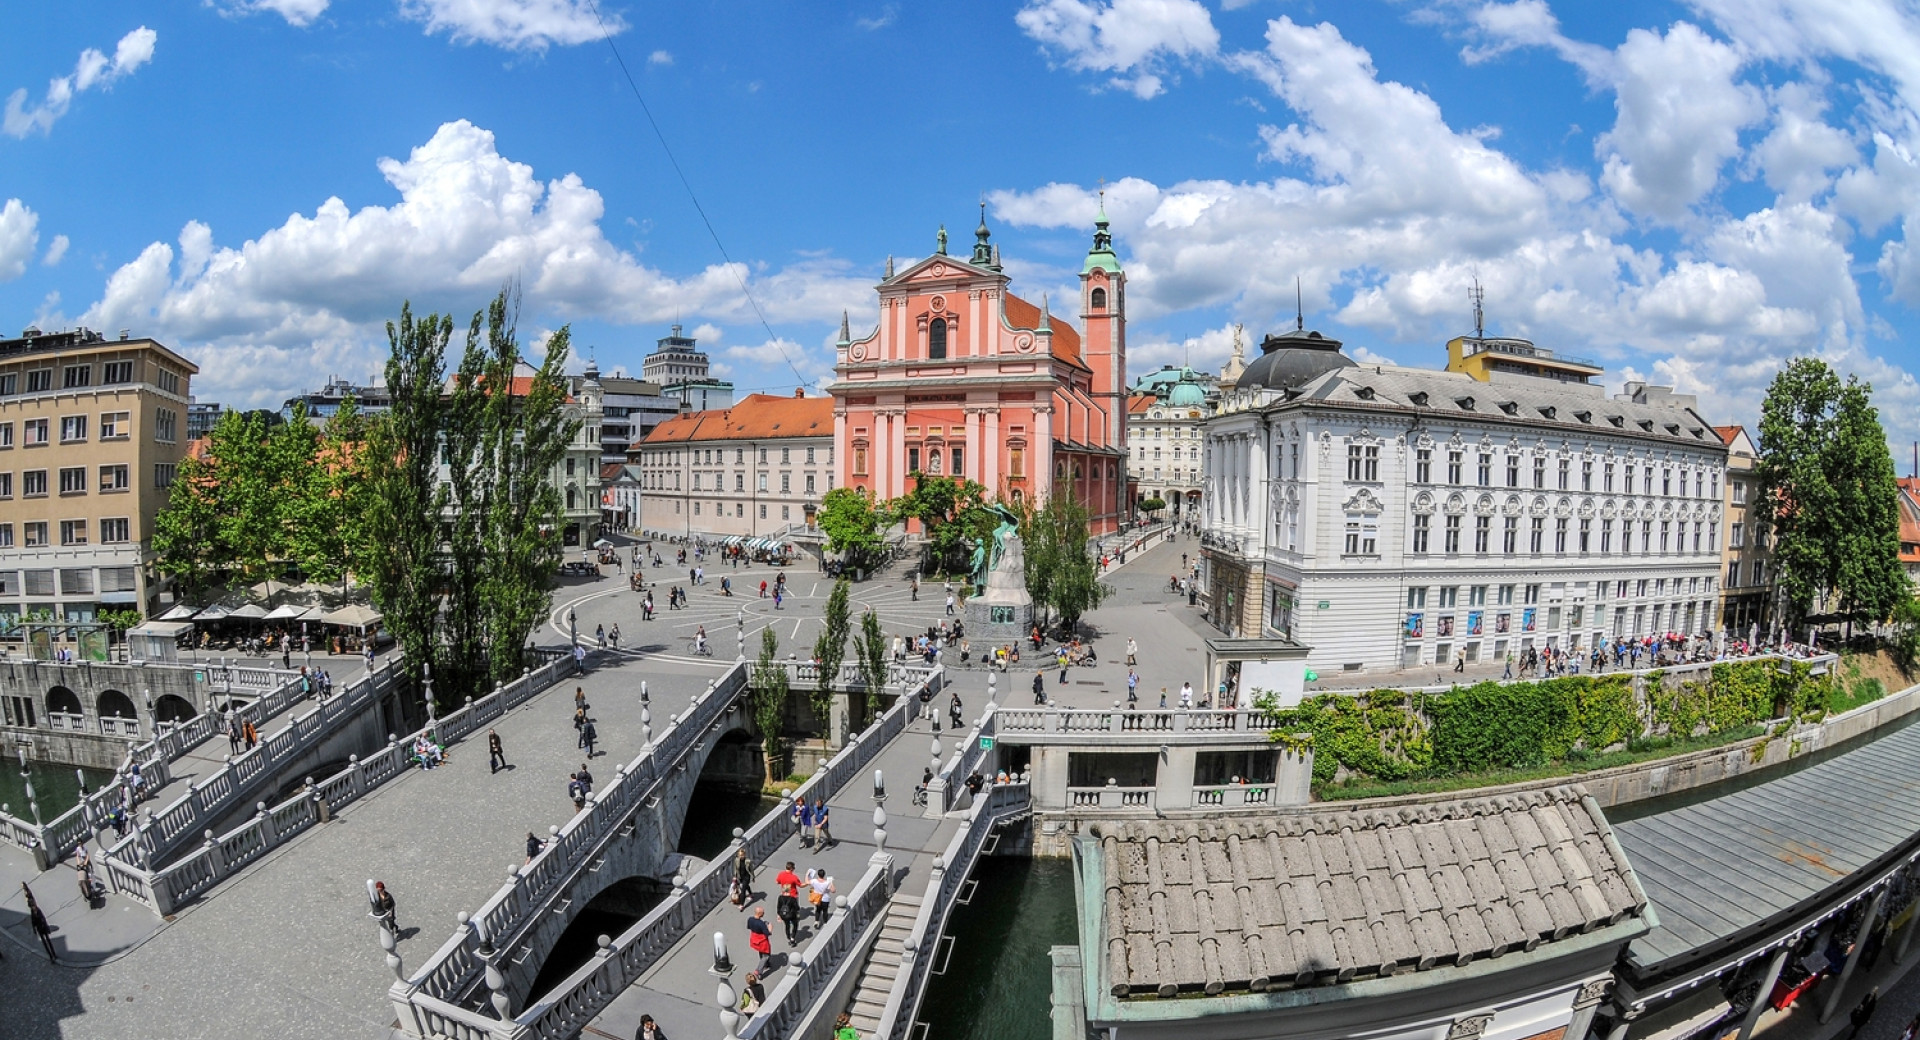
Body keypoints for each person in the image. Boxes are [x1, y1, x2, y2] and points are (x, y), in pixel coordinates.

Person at [25, 883, 55, 961]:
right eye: (32, 907)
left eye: (33, 906)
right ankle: (50, 956)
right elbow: (33, 921)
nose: (33, 907)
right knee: (45, 943)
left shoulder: (38, 910)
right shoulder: (32, 912)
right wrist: (34, 929)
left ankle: (54, 954)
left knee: (48, 941)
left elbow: (43, 919)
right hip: (40, 929)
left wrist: (47, 927)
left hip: (43, 927)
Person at [775, 862, 803, 944]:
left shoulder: (780, 897)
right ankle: (793, 938)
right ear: (792, 868)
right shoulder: (793, 878)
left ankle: (788, 936)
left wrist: (779, 915)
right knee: (795, 924)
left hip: (784, 914)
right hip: (792, 913)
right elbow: (797, 908)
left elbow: (778, 907)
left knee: (787, 925)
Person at [746, 906, 774, 973]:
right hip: (762, 940)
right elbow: (767, 933)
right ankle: (758, 970)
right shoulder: (761, 923)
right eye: (763, 912)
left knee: (760, 951)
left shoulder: (750, 919)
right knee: (766, 955)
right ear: (760, 914)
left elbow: (748, 927)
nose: (764, 913)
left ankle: (766, 964)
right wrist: (770, 928)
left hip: (754, 938)